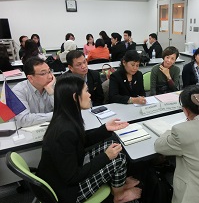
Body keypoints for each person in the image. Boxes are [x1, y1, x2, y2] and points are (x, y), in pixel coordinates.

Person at [37, 73, 141, 203]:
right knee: (117, 158)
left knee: (114, 145)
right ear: (75, 97)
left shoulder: (65, 117)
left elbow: (79, 141)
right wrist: (105, 157)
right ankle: (119, 196)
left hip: (64, 174)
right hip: (67, 192)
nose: (90, 94)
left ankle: (118, 185)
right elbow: (72, 177)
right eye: (86, 91)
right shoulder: (64, 130)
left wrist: (105, 129)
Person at [12, 57, 55, 127]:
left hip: (50, 129)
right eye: (43, 73)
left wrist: (51, 93)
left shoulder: (52, 85)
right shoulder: (18, 91)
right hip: (26, 133)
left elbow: (64, 111)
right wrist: (56, 115)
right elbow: (24, 120)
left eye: (49, 71)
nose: (50, 77)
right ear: (31, 78)